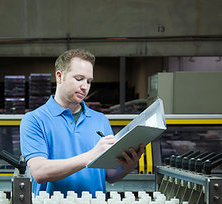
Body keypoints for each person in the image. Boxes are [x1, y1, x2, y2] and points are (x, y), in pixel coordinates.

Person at [20, 49, 144, 196]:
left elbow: (109, 175)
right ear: (60, 76)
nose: (85, 87)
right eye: (79, 79)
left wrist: (126, 167)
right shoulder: (35, 120)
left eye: (89, 81)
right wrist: (91, 156)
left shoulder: (100, 120)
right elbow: (39, 172)